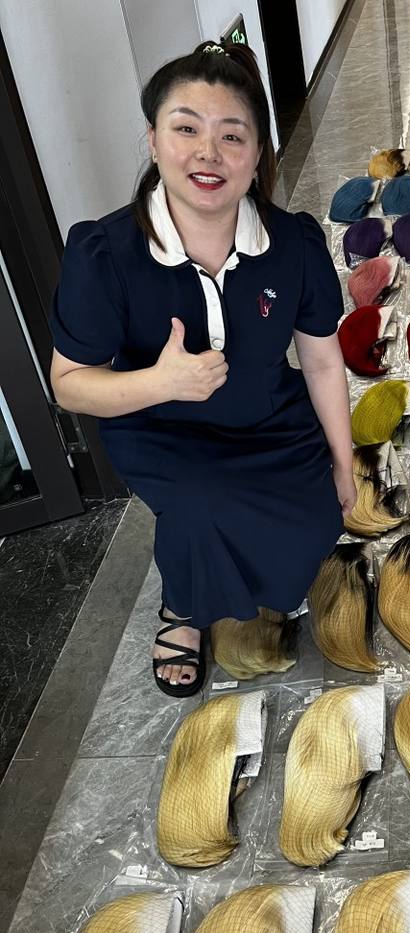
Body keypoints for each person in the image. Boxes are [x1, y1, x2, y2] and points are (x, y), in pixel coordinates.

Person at [49, 41, 355, 697]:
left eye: (231, 136)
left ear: (257, 154)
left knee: (318, 519)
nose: (207, 153)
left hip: (268, 415)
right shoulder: (105, 254)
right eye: (186, 129)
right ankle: (182, 609)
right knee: (200, 507)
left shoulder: (293, 244)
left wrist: (343, 460)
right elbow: (69, 383)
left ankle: (239, 578)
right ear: (154, 141)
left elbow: (322, 361)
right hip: (160, 430)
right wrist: (161, 383)